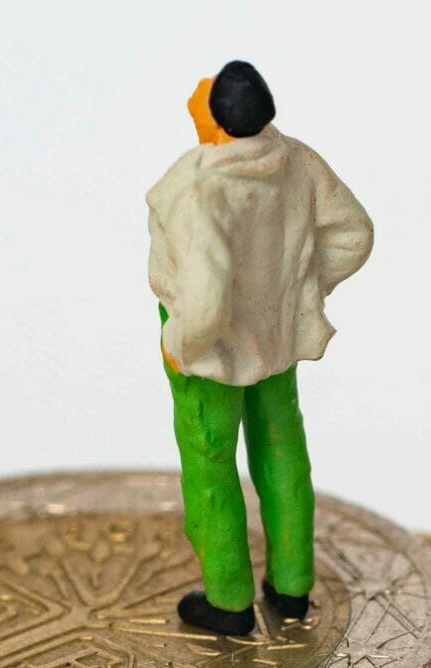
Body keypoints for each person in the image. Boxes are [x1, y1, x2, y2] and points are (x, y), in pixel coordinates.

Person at [147, 60, 374, 636]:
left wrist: (181, 340)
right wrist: (302, 289)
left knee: (211, 466)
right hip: (276, 336)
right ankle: (292, 587)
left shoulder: (197, 184)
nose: (196, 99)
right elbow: (354, 231)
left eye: (204, 97)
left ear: (219, 120)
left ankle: (227, 599)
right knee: (282, 449)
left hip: (209, 352)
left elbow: (202, 297)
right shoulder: (297, 160)